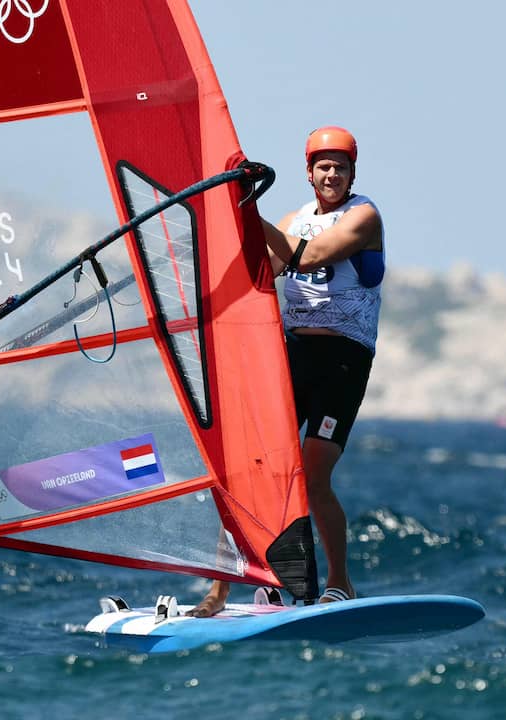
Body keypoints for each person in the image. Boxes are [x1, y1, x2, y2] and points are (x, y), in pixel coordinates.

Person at [189, 126, 384, 617]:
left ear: (352, 172)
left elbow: (308, 254)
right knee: (249, 469)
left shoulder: (364, 216)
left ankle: (340, 583)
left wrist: (249, 208)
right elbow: (260, 268)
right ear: (309, 173)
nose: (332, 173)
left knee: (314, 475)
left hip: (344, 359)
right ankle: (222, 590)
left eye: (340, 166)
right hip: (292, 353)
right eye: (323, 166)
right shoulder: (293, 218)